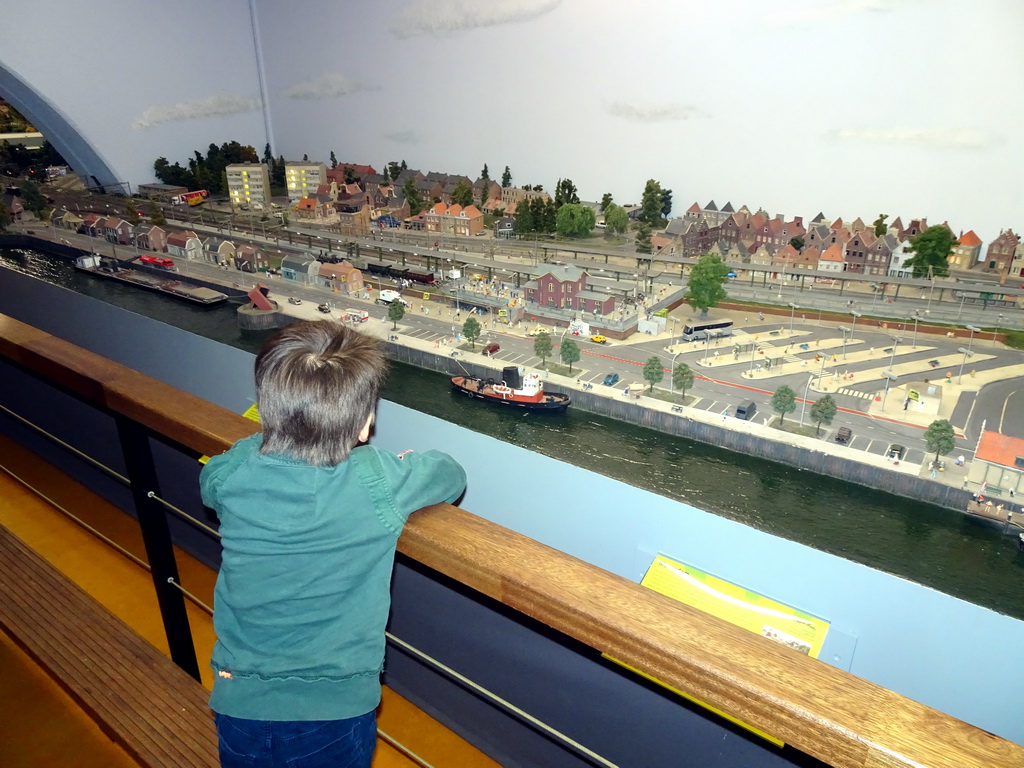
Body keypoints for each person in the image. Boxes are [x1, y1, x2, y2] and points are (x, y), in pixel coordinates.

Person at [200, 320, 467, 768]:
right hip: (337, 707)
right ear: (365, 425)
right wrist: (402, 463)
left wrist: (261, 443)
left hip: (240, 699)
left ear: (267, 410)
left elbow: (212, 479)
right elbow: (450, 473)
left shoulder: (236, 473)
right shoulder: (376, 478)